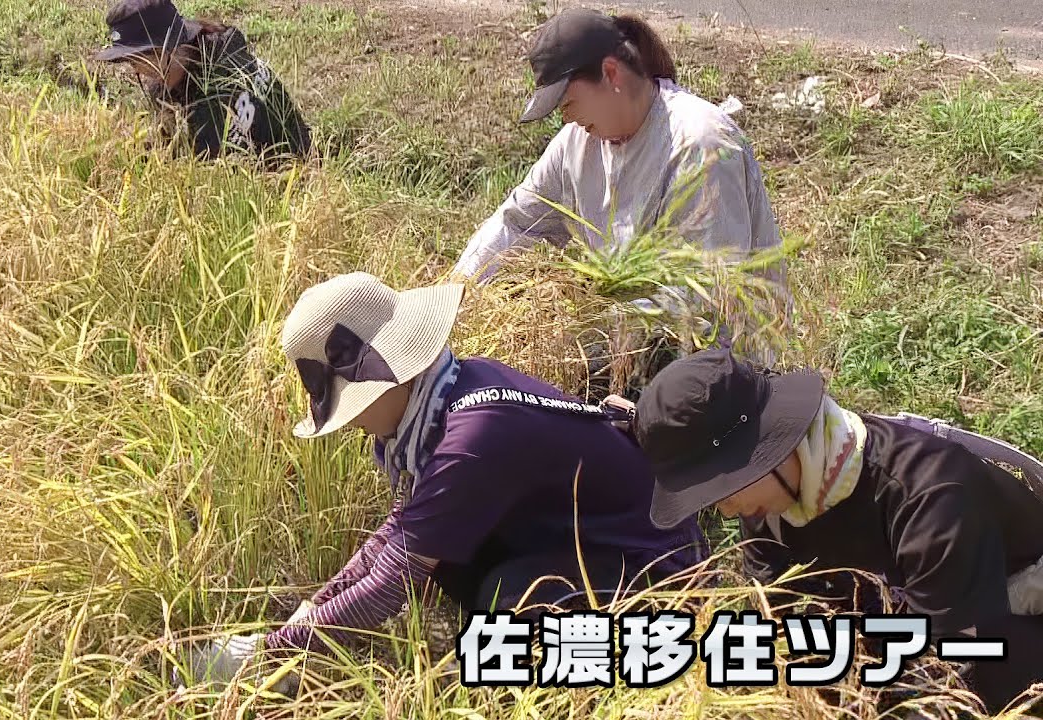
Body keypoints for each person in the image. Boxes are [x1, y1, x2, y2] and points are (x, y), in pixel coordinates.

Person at [189, 271, 709, 690]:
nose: (349, 422)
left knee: (505, 599)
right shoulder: (448, 394)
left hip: (657, 561)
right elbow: (398, 534)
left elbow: (393, 579)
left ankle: (576, 681)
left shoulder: (473, 438)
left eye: (350, 407)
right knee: (453, 564)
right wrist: (306, 618)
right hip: (595, 533)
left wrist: (275, 657)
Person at [632, 347, 1043, 715]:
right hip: (901, 627)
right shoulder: (766, 505)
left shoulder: (930, 495)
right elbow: (785, 626)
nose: (726, 508)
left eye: (725, 486)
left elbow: (952, 670)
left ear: (773, 445)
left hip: (1001, 619)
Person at [451, 8, 788, 400]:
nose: (566, 118)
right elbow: (515, 223)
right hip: (626, 352)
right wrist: (457, 293)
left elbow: (708, 297)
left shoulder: (699, 145)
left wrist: (581, 334)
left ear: (610, 74)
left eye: (568, 101)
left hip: (721, 370)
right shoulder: (576, 145)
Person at [94, 0, 312, 162]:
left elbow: (211, 181)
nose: (134, 69)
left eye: (136, 59)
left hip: (288, 176)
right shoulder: (203, 45)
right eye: (128, 60)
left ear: (167, 48)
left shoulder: (216, 90)